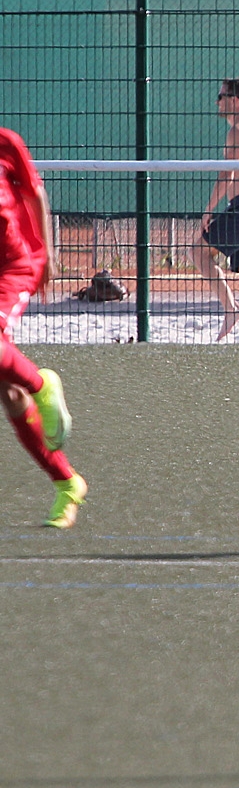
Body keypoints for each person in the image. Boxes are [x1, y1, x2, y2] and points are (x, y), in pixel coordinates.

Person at [0, 127, 87, 529]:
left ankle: (42, 384)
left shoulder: (6, 141)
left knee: (19, 384)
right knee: (9, 392)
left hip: (16, 266)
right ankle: (67, 483)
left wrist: (49, 253)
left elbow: (35, 194)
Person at [196, 77, 239, 341]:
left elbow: (227, 173)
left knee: (197, 252)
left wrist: (209, 209)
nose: (217, 101)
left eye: (222, 96)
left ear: (236, 102)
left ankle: (231, 309)